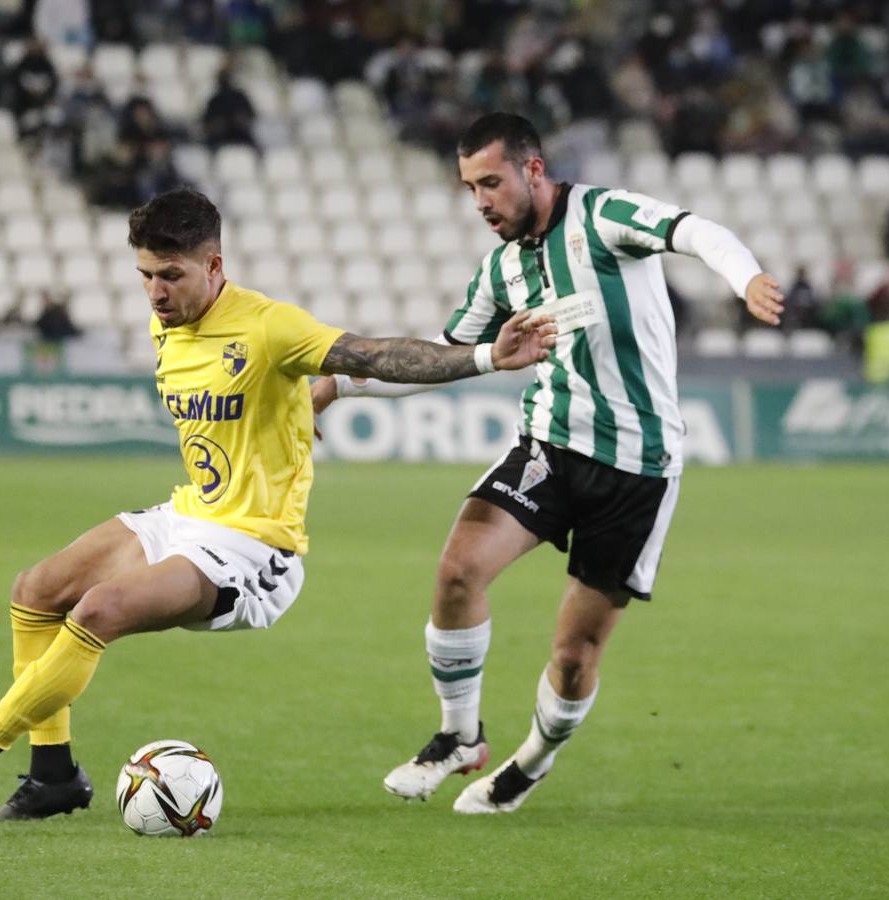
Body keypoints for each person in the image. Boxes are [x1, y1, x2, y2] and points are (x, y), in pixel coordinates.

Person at [0, 188, 556, 819]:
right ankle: (52, 777)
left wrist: (486, 358)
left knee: (97, 611)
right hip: (190, 514)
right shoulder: (165, 325)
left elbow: (373, 355)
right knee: (36, 590)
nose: (155, 293)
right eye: (144, 275)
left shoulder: (268, 325)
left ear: (214, 265)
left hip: (255, 547)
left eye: (170, 275)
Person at [312, 113, 783, 814]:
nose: (480, 202)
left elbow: (696, 231)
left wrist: (745, 280)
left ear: (534, 170)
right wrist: (341, 384)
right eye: (470, 187)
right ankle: (458, 734)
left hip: (638, 469)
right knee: (458, 570)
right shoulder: (500, 268)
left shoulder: (604, 215)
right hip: (550, 446)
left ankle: (531, 761)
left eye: (491, 183)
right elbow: (444, 355)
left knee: (573, 657)